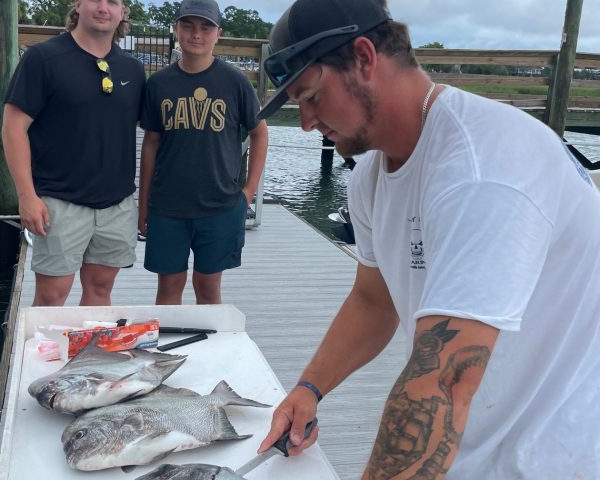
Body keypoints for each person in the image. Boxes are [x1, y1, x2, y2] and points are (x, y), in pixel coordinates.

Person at [255, 0, 600, 478]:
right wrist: (309, 389)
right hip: (466, 446)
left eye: (310, 96)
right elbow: (374, 300)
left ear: (363, 57)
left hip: (552, 454)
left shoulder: (482, 171)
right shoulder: (370, 177)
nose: (308, 121)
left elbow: (445, 379)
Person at [2, 0, 145, 307]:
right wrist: (27, 196)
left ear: (122, 13)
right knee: (53, 295)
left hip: (116, 203)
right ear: (78, 5)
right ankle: (46, 354)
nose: (103, 7)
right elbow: (13, 127)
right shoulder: (43, 58)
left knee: (100, 288)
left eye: (113, 2)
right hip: (59, 201)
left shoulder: (133, 69)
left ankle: (90, 354)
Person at [138, 0, 268, 305]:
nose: (196, 34)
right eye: (188, 26)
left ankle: (210, 351)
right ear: (176, 29)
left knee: (208, 287)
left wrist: (248, 191)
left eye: (206, 27)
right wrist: (143, 205)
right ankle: (167, 349)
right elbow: (151, 143)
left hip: (220, 206)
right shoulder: (158, 84)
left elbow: (259, 133)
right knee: (169, 286)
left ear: (218, 33)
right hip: (168, 206)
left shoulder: (235, 82)